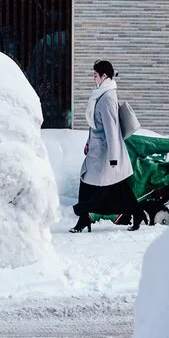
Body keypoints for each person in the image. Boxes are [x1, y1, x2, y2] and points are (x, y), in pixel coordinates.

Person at [70, 60, 144, 233]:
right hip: (97, 151)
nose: (93, 79)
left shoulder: (107, 98)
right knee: (110, 187)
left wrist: (114, 157)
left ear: (104, 76)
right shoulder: (101, 95)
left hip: (105, 154)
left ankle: (84, 217)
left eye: (95, 75)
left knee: (102, 186)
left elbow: (112, 130)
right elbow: (96, 125)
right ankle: (86, 218)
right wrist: (89, 143)